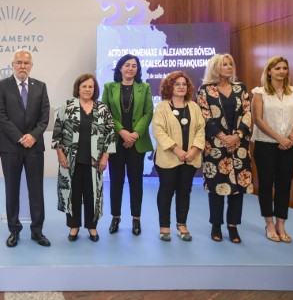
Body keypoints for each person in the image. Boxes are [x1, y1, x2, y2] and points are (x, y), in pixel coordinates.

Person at [0, 49, 51, 247]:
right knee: (12, 189)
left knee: (36, 190)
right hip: (10, 146)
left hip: (34, 146)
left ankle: (37, 231)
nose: (22, 66)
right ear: (13, 65)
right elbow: (0, 115)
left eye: (26, 63)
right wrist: (20, 137)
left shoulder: (41, 87)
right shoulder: (1, 86)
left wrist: (32, 136)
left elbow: (45, 117)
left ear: (31, 66)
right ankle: (14, 230)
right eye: (19, 62)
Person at [52, 73, 115, 242]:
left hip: (95, 162)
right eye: (84, 86)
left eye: (91, 87)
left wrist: (105, 157)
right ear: (78, 89)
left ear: (95, 89)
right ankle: (74, 226)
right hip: (70, 161)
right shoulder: (67, 106)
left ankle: (92, 227)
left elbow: (110, 134)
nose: (87, 89)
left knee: (92, 194)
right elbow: (57, 132)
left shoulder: (102, 109)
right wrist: (60, 154)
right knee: (73, 194)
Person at [197, 54, 252, 244]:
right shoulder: (205, 90)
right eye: (224, 64)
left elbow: (247, 113)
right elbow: (205, 117)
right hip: (215, 147)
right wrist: (222, 137)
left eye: (231, 64)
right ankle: (216, 225)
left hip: (239, 146)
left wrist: (236, 136)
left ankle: (233, 226)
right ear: (215, 68)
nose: (229, 67)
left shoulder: (241, 88)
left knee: (238, 187)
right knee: (217, 187)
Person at [251, 56, 293, 243]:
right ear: (269, 71)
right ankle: (269, 223)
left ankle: (281, 223)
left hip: (290, 145)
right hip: (265, 144)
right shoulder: (259, 92)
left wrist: (289, 138)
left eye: (284, 68)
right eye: (277, 68)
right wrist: (279, 138)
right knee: (266, 185)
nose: (282, 71)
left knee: (284, 185)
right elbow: (257, 119)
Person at [102, 54, 153, 236]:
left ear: (138, 70)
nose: (130, 68)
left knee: (136, 182)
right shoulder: (109, 87)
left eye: (134, 66)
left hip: (136, 143)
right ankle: (115, 217)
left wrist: (135, 134)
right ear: (120, 68)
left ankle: (136, 219)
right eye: (127, 65)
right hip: (116, 142)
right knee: (115, 182)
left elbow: (148, 113)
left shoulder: (144, 87)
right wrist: (122, 132)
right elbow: (105, 112)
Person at [152, 71, 205, 242]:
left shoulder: (194, 107)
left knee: (184, 192)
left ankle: (182, 225)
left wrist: (194, 150)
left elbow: (200, 130)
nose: (181, 87)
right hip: (168, 158)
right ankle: (164, 227)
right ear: (170, 87)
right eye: (177, 84)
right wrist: (177, 150)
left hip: (190, 158)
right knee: (166, 191)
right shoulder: (162, 107)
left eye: (184, 84)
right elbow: (158, 131)